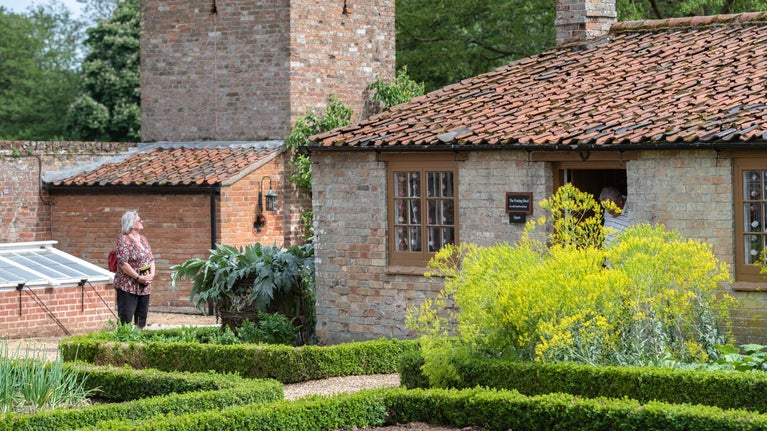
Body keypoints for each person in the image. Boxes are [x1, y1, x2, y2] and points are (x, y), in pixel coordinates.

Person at [113, 210, 155, 328]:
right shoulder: (123, 240)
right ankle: (123, 344)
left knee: (141, 319)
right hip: (128, 286)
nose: (142, 221)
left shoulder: (143, 239)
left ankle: (138, 342)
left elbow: (151, 259)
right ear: (131, 224)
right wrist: (138, 277)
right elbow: (123, 264)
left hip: (144, 286)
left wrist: (151, 275)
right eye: (139, 220)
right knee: (125, 319)